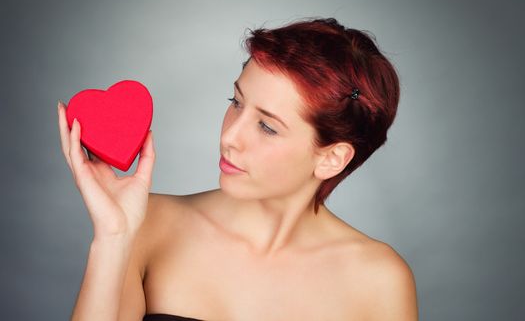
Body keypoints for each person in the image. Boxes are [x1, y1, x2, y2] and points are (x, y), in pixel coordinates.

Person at [57, 17, 418, 321]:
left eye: (267, 126)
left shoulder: (379, 280)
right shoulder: (148, 225)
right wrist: (112, 238)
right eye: (236, 102)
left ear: (331, 158)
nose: (230, 136)